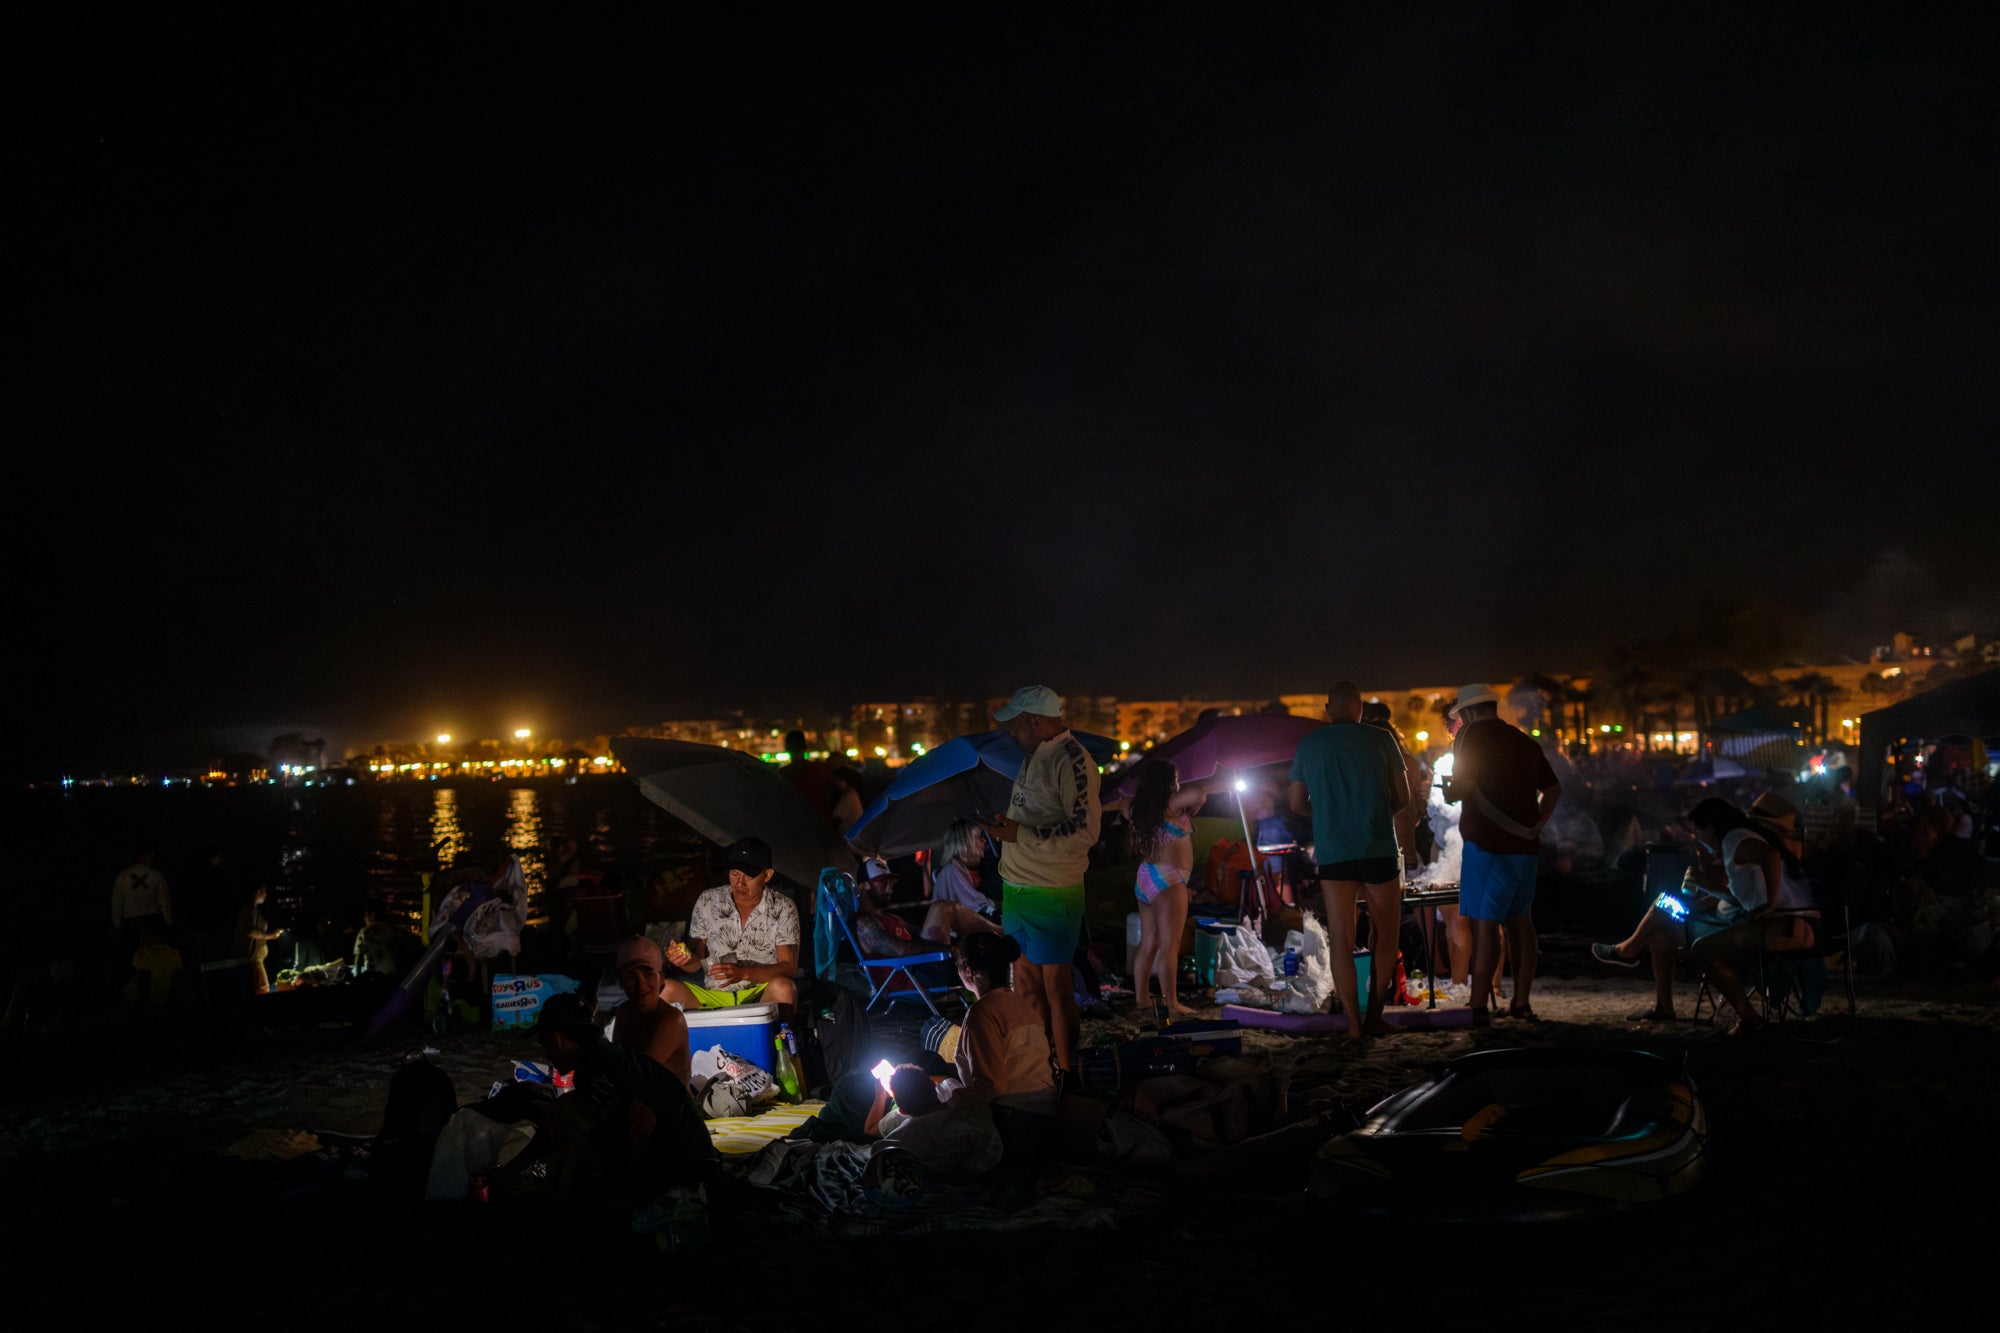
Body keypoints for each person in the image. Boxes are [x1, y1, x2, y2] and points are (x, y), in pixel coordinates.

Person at [1591, 796, 1817, 1033]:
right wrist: (1704, 892)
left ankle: (1627, 952)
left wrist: (1767, 903)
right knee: (1663, 911)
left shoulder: (1736, 839)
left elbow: (1766, 865)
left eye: (1698, 830)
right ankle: (1657, 996)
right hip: (1742, 919)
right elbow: (1737, 893)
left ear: (1710, 827)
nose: (1697, 836)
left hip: (1764, 923)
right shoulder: (1739, 842)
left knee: (1663, 912)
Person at [981, 685, 1101, 1078]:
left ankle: (1066, 1072)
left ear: (1035, 721)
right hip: (1016, 889)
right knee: (1027, 986)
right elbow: (1035, 818)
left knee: (1056, 987)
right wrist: (1008, 828)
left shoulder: (1073, 759)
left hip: (1053, 892)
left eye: (1016, 725)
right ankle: (1040, 1069)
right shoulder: (1034, 756)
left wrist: (1022, 835)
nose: (1012, 733)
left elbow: (1084, 830)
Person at [1289, 681, 1412, 1043]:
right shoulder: (1381, 739)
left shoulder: (1310, 744)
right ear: (1359, 705)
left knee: (1341, 939)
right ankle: (1374, 1015)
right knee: (1385, 934)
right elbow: (1402, 798)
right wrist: (1373, 815)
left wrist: (1328, 816)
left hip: (1334, 853)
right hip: (1378, 849)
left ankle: (1353, 1027)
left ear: (1329, 708)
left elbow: (1295, 803)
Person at [1442, 683, 1561, 1026]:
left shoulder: (1468, 737)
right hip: (1526, 847)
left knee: (1486, 926)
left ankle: (1478, 1005)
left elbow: (1462, 786)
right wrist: (1537, 825)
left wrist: (1450, 791)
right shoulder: (1523, 740)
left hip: (1487, 845)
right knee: (1521, 923)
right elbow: (1554, 788)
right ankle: (1521, 1002)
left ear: (1465, 713)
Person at [525, 991, 717, 1201]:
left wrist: (617, 1183)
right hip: (690, 1157)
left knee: (567, 1117)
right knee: (568, 1117)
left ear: (557, 1039)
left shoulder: (600, 1064)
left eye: (544, 1045)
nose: (546, 1054)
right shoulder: (602, 1056)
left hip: (685, 1169)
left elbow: (643, 1122)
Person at [938, 932, 1059, 1159]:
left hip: (1015, 1122)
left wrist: (943, 1104)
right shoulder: (1022, 1004)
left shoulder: (982, 1013)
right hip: (1047, 1115)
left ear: (969, 971)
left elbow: (990, 1086)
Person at [1111, 758, 1215, 1018]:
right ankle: (1171, 1003)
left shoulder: (1139, 808)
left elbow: (1124, 805)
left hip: (1146, 875)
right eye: (1175, 779)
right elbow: (1199, 792)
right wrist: (1195, 802)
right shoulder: (1169, 805)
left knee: (1150, 941)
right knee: (1171, 943)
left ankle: (1142, 998)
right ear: (1169, 782)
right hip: (1169, 879)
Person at [661, 838, 799, 1012]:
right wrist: (684, 959)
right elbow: (697, 963)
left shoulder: (783, 907)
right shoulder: (708, 901)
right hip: (715, 995)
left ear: (767, 875)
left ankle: (780, 1038)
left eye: (748, 876)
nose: (739, 883)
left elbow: (788, 967)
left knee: (784, 988)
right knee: (666, 990)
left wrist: (744, 974)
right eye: (734, 873)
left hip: (760, 992)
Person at [857, 858, 999, 951]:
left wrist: (957, 940)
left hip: (926, 963)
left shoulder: (891, 918)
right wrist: (949, 949)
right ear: (864, 886)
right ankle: (1002, 934)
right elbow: (901, 950)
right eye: (883, 883)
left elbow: (920, 933)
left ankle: (999, 935)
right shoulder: (863, 922)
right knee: (942, 907)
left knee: (947, 911)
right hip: (912, 974)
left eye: (891, 882)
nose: (890, 888)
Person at [608, 936, 692, 1087]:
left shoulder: (671, 1019)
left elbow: (639, 1075)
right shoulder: (624, 1012)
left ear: (661, 978)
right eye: (631, 976)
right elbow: (618, 1063)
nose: (642, 985)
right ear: (621, 982)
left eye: (648, 975)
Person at [932, 818, 1000, 921]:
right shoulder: (950, 872)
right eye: (978, 837)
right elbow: (974, 905)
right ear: (964, 843)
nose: (984, 840)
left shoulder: (990, 865)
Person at [111, 848, 173, 943]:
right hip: (152, 923)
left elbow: (116, 903)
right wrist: (168, 923)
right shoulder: (156, 875)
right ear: (151, 855)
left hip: (131, 925)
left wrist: (117, 925)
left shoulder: (122, 877)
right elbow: (165, 902)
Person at [235, 884, 284, 995]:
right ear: (257, 892)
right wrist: (271, 936)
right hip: (254, 960)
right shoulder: (248, 910)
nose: (265, 894)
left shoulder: (253, 910)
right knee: (263, 990)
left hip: (257, 960)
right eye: (263, 891)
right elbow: (251, 931)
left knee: (263, 988)